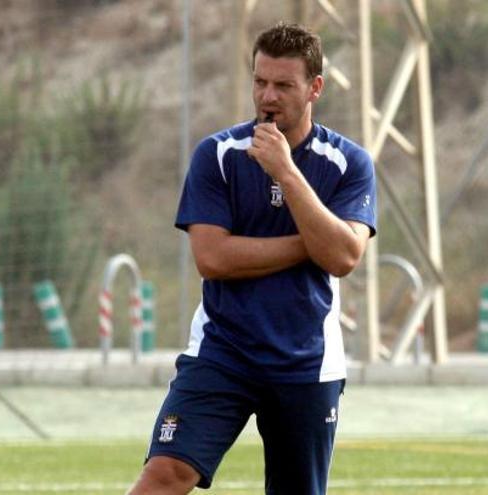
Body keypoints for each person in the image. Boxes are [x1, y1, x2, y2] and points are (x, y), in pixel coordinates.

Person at [126, 21, 377, 495]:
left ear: (314, 88)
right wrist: (315, 241)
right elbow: (214, 258)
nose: (268, 96)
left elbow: (344, 258)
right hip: (223, 351)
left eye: (284, 85)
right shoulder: (217, 155)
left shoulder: (349, 163)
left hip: (307, 361)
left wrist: (285, 170)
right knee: (164, 474)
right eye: (260, 82)